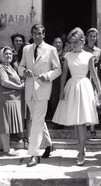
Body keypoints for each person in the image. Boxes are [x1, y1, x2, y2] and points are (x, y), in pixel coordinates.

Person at [52, 27, 101, 166]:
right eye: (71, 42)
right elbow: (64, 74)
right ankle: (81, 147)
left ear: (82, 41)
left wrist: (99, 90)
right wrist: (61, 90)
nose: (73, 45)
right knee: (75, 120)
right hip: (72, 86)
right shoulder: (68, 56)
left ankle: (81, 150)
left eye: (75, 42)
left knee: (81, 122)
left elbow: (93, 73)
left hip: (84, 87)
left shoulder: (88, 56)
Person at [18, 24, 61, 167]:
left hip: (43, 89)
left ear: (44, 34)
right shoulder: (26, 49)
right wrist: (24, 72)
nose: (37, 36)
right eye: (35, 33)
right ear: (31, 34)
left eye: (40, 33)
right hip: (30, 89)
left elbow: (57, 69)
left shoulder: (51, 49)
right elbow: (20, 66)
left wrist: (47, 76)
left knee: (36, 121)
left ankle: (34, 154)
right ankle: (48, 144)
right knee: (39, 120)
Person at [0, 46, 25, 156]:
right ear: (2, 56)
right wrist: (19, 87)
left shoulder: (10, 67)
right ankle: (6, 150)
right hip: (5, 98)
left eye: (10, 54)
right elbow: (4, 82)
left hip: (12, 98)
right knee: (4, 124)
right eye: (6, 54)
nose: (8, 56)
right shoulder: (0, 67)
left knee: (7, 123)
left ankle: (4, 147)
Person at [83, 28, 101, 138]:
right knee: (85, 101)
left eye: (94, 36)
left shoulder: (98, 50)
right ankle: (84, 126)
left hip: (94, 77)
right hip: (85, 75)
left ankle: (92, 128)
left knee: (93, 102)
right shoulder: (83, 49)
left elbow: (99, 64)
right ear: (86, 37)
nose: (92, 38)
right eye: (90, 36)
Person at [48, 37, 66, 129]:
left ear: (62, 44)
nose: (58, 44)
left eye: (59, 42)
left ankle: (63, 120)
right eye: (56, 42)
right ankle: (56, 122)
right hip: (54, 80)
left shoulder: (66, 54)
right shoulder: (50, 54)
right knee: (54, 101)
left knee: (63, 100)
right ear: (52, 44)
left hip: (64, 79)